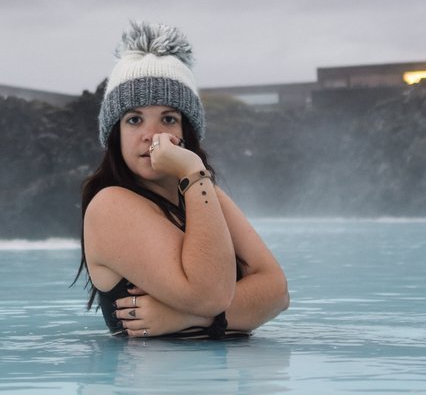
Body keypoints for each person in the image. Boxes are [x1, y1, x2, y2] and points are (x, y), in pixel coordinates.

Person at [79, 21, 289, 339]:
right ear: (115, 135)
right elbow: (210, 295)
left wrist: (190, 318)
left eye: (169, 119)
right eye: (134, 120)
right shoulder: (109, 205)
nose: (152, 135)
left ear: (186, 132)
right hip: (154, 386)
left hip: (219, 380)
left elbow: (277, 293)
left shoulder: (203, 192)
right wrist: (192, 172)